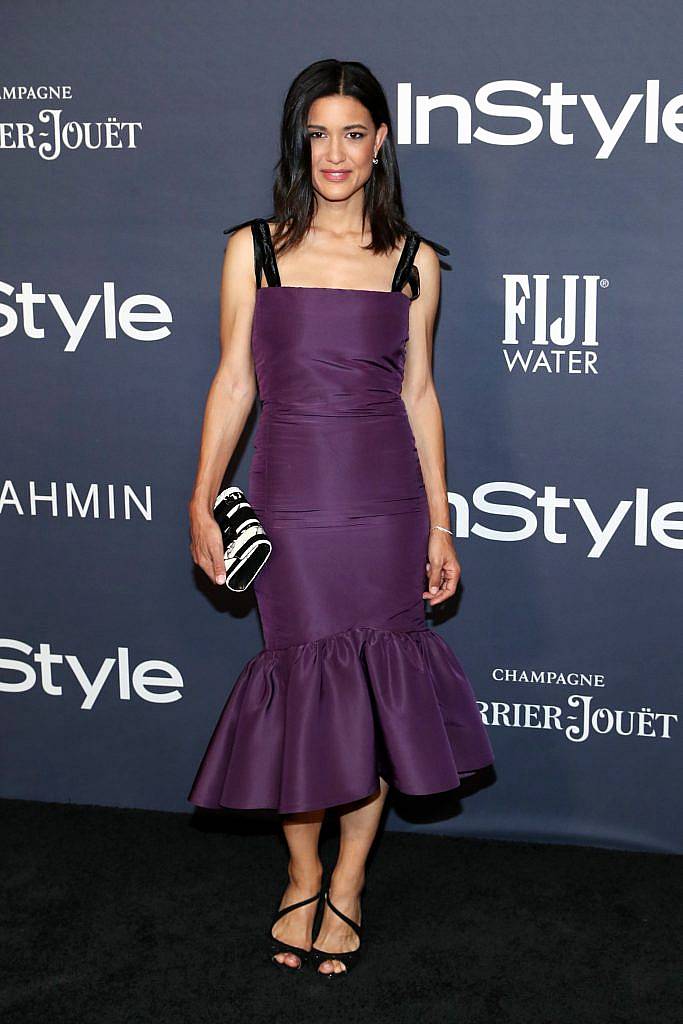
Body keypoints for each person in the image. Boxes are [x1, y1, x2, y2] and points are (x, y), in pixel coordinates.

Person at [187, 58, 495, 979]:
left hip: (384, 508)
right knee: (306, 694)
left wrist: (439, 524)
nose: (335, 152)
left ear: (380, 144)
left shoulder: (413, 262)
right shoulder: (256, 248)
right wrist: (202, 497)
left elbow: (421, 396)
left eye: (353, 132)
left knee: (376, 699)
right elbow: (235, 381)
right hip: (288, 504)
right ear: (298, 142)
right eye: (317, 133)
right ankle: (300, 874)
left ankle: (350, 882)